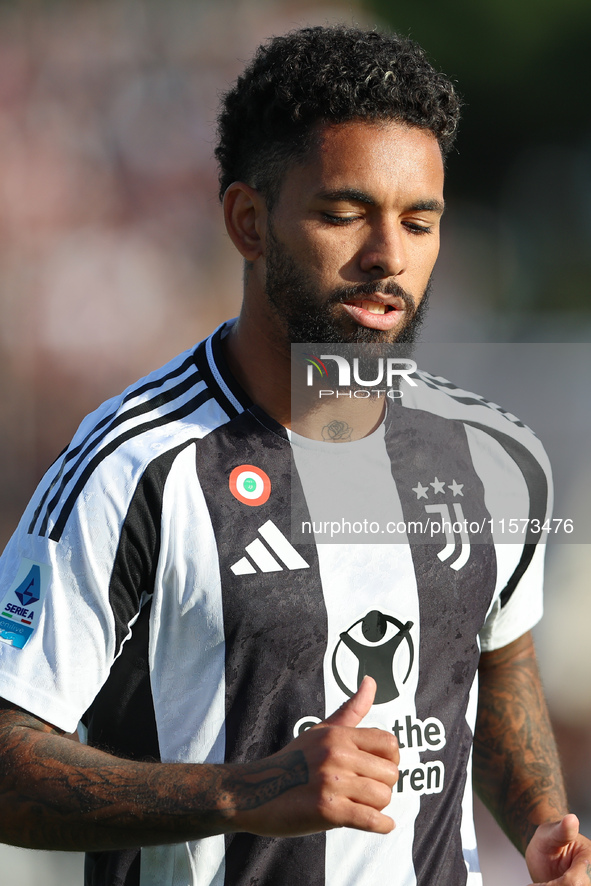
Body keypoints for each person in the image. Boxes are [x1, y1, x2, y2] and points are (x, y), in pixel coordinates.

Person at [0, 24, 588, 886]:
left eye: (417, 221)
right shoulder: (137, 469)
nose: (388, 256)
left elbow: (497, 663)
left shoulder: (497, 457)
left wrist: (543, 827)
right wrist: (245, 792)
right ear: (248, 221)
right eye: (343, 214)